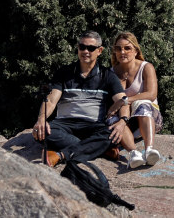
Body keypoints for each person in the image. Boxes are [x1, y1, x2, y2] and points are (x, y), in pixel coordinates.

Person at [33, 31, 130, 167]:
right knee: (43, 133)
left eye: (91, 48)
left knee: (111, 135)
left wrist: (122, 121)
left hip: (93, 126)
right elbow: (51, 100)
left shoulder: (107, 75)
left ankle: (61, 155)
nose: (85, 51)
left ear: (100, 51)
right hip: (64, 124)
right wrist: (41, 119)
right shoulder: (64, 72)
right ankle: (99, 149)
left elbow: (124, 101)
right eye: (82, 47)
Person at [107, 32, 163, 169]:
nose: (122, 52)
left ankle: (149, 149)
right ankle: (134, 153)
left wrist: (125, 100)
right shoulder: (110, 73)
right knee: (112, 117)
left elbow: (151, 94)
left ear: (136, 50)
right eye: (118, 48)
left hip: (148, 117)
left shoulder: (146, 67)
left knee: (141, 103)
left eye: (127, 48)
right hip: (126, 123)